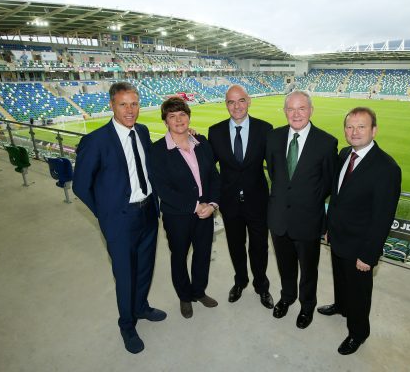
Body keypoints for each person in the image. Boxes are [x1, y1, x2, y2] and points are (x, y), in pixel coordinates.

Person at [72, 82, 166, 354]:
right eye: (123, 104)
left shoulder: (144, 131)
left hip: (148, 211)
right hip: (119, 221)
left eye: (134, 104)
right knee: (125, 275)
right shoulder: (96, 141)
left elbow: (150, 165)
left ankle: (141, 307)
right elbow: (80, 186)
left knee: (146, 267)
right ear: (112, 105)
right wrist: (106, 214)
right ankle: (127, 324)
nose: (130, 110)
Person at [317, 107, 401, 355]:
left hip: (361, 246)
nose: (354, 132)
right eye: (350, 127)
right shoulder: (344, 154)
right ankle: (341, 307)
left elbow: (383, 217)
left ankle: (358, 332)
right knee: (341, 280)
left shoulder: (386, 168)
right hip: (338, 236)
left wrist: (369, 254)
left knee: (360, 293)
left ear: (374, 130)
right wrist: (328, 228)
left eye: (361, 126)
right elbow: (337, 197)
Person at [265, 90, 338, 329]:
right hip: (279, 218)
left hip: (308, 220)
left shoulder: (327, 142)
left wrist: (307, 200)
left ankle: (307, 306)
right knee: (285, 266)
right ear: (285, 111)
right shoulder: (274, 138)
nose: (296, 114)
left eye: (301, 108)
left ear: (311, 110)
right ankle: (287, 298)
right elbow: (276, 175)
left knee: (308, 271)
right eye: (291, 109)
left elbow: (328, 182)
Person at [150, 96, 220, 319]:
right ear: (165, 122)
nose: (178, 120)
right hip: (177, 215)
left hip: (206, 212)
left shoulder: (202, 142)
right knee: (179, 257)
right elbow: (163, 189)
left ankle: (199, 291)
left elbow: (214, 177)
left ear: (189, 117)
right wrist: (194, 206)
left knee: (203, 254)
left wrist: (212, 204)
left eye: (182, 114)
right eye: (172, 116)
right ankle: (184, 296)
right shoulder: (158, 150)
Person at [208, 85, 274, 309]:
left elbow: (276, 167)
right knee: (236, 246)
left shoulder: (265, 129)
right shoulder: (215, 132)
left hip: (258, 202)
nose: (236, 106)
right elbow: (207, 168)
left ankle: (261, 286)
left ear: (249, 101)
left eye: (241, 101)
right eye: (231, 102)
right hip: (230, 203)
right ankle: (240, 281)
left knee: (259, 247)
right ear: (226, 104)